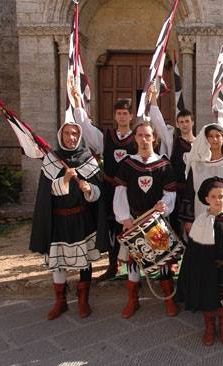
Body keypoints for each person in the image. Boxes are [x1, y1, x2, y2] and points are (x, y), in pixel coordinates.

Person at [30, 122, 107, 320]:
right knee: (58, 262)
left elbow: (99, 192)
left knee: (84, 261)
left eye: (75, 133)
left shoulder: (87, 160)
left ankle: (83, 301)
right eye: (67, 133)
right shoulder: (51, 160)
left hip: (82, 218)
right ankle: (60, 302)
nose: (71, 137)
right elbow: (46, 193)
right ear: (60, 136)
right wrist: (64, 180)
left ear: (79, 136)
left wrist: (89, 189)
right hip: (58, 219)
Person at [113, 121, 178, 318]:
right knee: (134, 262)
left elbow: (170, 193)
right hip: (133, 220)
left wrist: (163, 206)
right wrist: (124, 218)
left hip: (156, 221)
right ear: (135, 138)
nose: (144, 139)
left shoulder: (164, 165)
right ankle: (133, 301)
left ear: (154, 139)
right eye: (140, 135)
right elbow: (120, 192)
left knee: (164, 261)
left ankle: (169, 299)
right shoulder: (127, 164)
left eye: (147, 135)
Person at [72, 86, 137, 281]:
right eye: (119, 113)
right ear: (115, 116)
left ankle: (135, 269)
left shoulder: (138, 138)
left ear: (131, 116)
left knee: (132, 226)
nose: (122, 117)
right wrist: (77, 103)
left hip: (131, 191)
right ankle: (112, 266)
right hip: (109, 189)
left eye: (125, 113)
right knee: (111, 228)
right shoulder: (105, 137)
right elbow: (84, 124)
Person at [177, 177, 223, 346]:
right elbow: (193, 249)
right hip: (205, 270)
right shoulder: (200, 221)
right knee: (207, 298)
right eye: (213, 196)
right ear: (207, 199)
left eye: (221, 196)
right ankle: (209, 327)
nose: (217, 200)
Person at [145, 83, 195, 236]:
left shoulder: (202, 143)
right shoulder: (173, 142)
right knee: (176, 228)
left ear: (192, 122)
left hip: (194, 193)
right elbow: (159, 124)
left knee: (194, 228)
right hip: (177, 192)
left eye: (187, 121)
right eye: (181, 122)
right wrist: (153, 98)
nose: (185, 125)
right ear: (178, 124)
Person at [180, 123, 223, 233]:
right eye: (210, 136)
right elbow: (189, 193)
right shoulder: (197, 166)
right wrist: (189, 220)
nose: (214, 139)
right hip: (201, 216)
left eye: (218, 136)